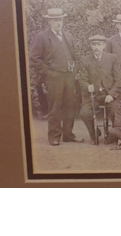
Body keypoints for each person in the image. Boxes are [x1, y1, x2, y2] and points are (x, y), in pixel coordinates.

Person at [29, 7, 82, 145]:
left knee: (70, 106)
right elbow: (34, 58)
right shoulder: (42, 37)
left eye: (60, 20)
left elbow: (75, 55)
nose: (59, 23)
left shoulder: (68, 36)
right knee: (55, 107)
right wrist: (48, 72)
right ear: (49, 22)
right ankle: (54, 136)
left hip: (69, 77)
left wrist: (75, 68)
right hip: (53, 78)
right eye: (55, 20)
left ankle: (68, 135)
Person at [78, 35, 121, 144]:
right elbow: (82, 80)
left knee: (116, 111)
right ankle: (94, 133)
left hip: (110, 94)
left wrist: (111, 94)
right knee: (84, 113)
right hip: (94, 95)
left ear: (104, 45)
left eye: (99, 44)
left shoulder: (113, 58)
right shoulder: (85, 60)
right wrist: (87, 86)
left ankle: (114, 134)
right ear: (90, 46)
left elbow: (119, 80)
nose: (96, 47)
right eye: (94, 45)